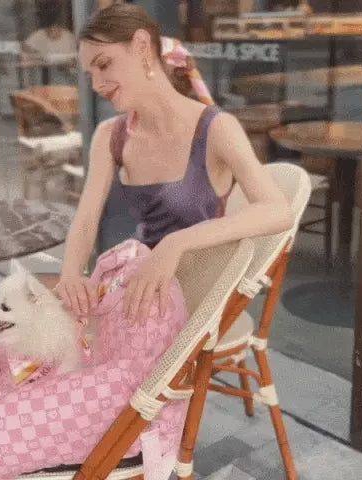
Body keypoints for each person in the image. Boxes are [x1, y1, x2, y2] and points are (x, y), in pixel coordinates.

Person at [51, 4, 293, 324]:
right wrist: (71, 275)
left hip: (198, 300)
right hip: (142, 290)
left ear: (142, 47)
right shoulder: (110, 136)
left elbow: (277, 211)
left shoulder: (216, 128)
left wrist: (176, 243)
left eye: (104, 65)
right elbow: (85, 220)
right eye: (90, 75)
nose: (96, 84)